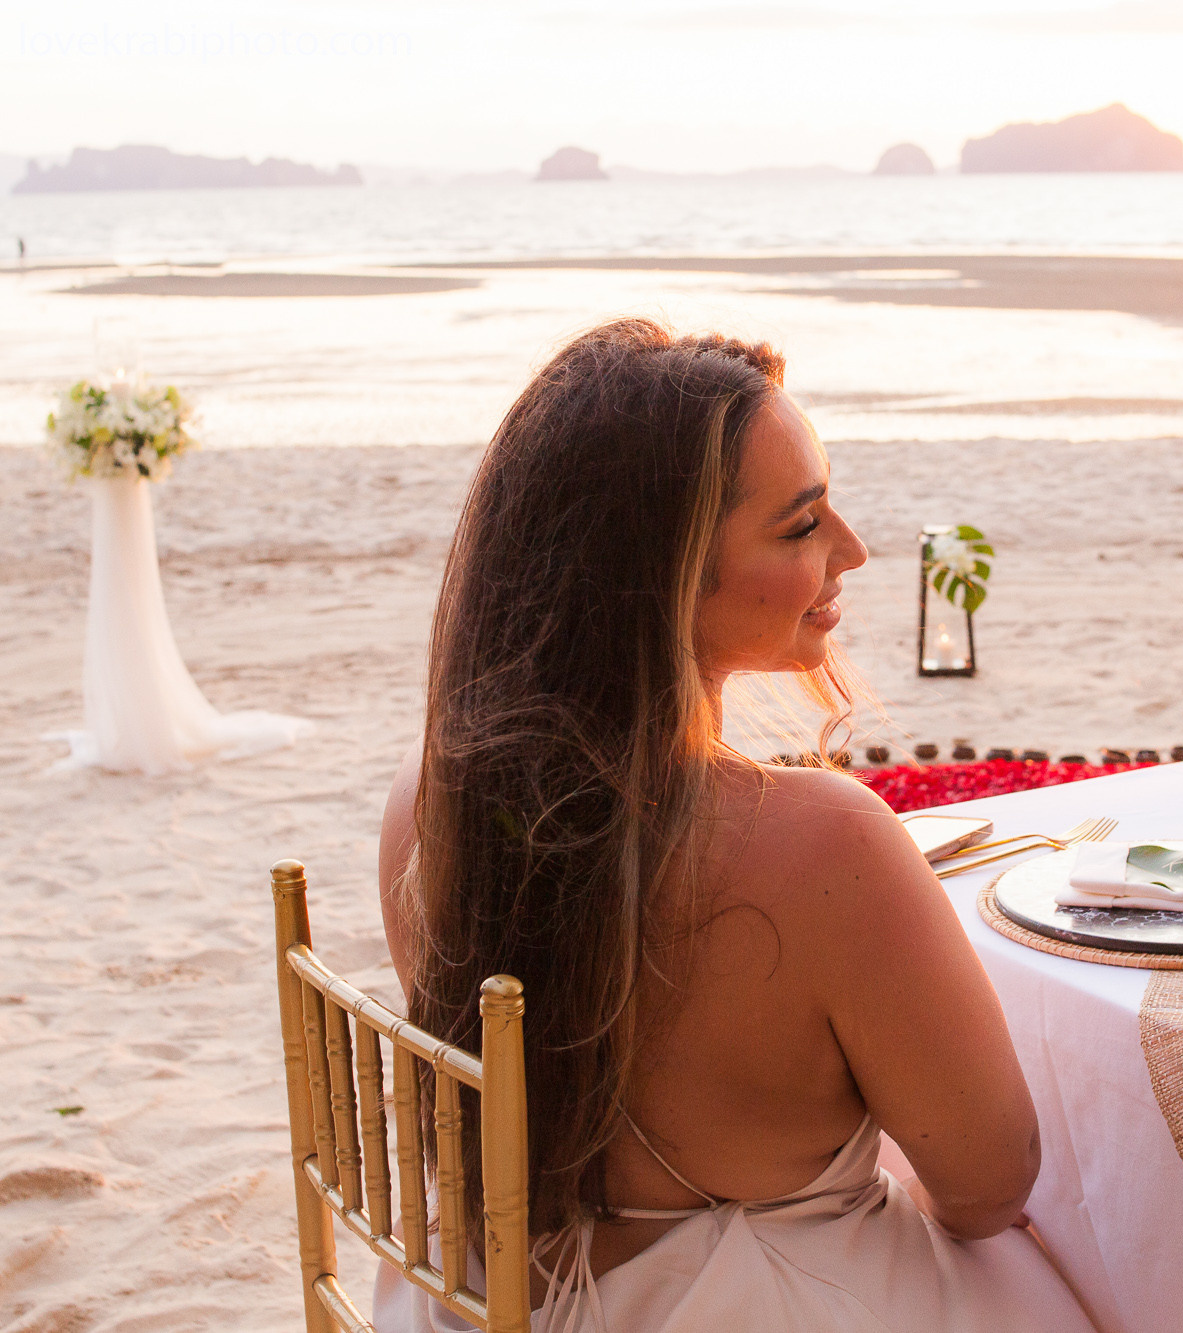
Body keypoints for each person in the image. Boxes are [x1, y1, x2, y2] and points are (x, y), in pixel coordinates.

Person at [371, 318, 1095, 1332]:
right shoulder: (826, 844)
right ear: (657, 578)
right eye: (800, 527)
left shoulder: (425, 804)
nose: (851, 549)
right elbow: (986, 1186)